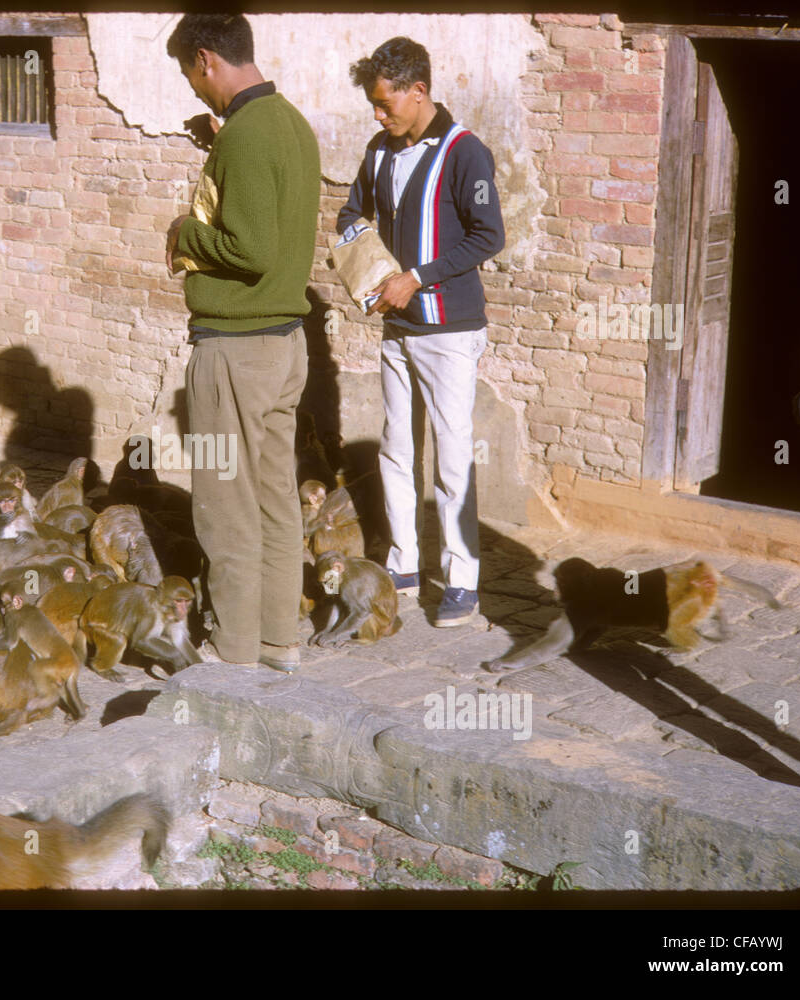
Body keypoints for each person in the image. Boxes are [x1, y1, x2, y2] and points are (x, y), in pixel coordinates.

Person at [164, 14, 321, 671]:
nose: (196, 91)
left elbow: (248, 248)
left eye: (190, 77)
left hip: (236, 347)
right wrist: (220, 147)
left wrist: (182, 232)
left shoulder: (245, 139)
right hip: (285, 343)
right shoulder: (289, 124)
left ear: (207, 60)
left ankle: (230, 651)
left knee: (226, 508)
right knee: (276, 500)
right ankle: (279, 637)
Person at [337, 36, 505, 627]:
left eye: (386, 104)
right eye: (374, 107)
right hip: (396, 325)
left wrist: (416, 277)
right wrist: (371, 273)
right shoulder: (379, 151)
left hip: (449, 330)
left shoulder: (466, 153)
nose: (379, 116)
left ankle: (463, 581)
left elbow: (489, 236)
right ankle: (404, 563)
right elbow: (350, 214)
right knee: (395, 448)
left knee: (452, 455)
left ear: (419, 91)